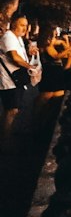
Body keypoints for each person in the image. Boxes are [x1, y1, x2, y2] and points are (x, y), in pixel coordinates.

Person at [1, 14, 35, 142]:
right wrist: (30, 66)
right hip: (9, 81)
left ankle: (6, 136)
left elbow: (20, 56)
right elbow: (14, 57)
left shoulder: (17, 38)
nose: (25, 28)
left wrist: (29, 55)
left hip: (16, 79)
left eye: (26, 26)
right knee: (12, 110)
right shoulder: (9, 37)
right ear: (14, 24)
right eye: (22, 25)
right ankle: (5, 141)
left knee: (13, 110)